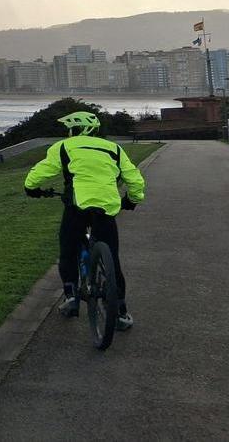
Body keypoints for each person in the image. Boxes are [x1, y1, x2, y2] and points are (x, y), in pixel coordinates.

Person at [23, 111, 145, 330]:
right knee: (112, 260)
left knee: (68, 250)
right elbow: (134, 178)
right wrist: (132, 200)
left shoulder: (63, 147)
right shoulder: (114, 149)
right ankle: (121, 312)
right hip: (107, 206)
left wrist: (31, 188)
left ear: (74, 130)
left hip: (77, 206)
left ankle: (70, 296)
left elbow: (40, 173)